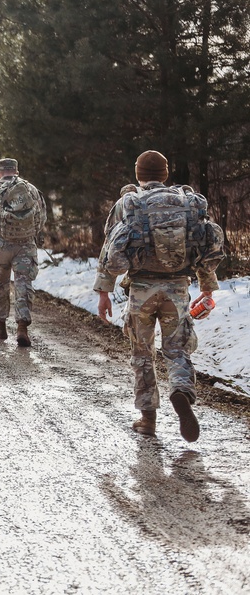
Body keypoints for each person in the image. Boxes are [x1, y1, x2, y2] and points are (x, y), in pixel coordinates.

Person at [94, 150, 224, 442]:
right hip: (177, 289)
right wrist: (207, 287)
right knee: (177, 349)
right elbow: (202, 247)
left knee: (142, 354)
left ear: (138, 174)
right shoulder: (186, 202)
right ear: (165, 174)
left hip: (141, 290)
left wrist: (104, 291)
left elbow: (109, 248)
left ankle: (148, 419)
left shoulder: (129, 203)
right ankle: (181, 391)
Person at [0, 158, 47, 346]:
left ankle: (0, 325)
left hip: (0, 247)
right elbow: (41, 218)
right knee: (23, 283)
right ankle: (22, 328)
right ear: (16, 172)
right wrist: (33, 236)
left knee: (1, 283)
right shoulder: (30, 189)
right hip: (25, 245)